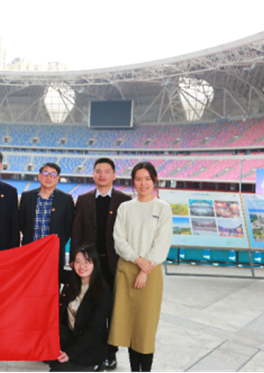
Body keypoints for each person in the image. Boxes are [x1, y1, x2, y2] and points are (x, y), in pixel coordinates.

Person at [108, 161, 173, 373]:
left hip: (150, 273)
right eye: (138, 179)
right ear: (133, 182)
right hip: (126, 271)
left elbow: (162, 242)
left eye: (147, 179)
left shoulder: (162, 208)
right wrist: (137, 260)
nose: (143, 183)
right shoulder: (125, 208)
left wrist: (145, 269)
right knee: (128, 325)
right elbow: (119, 240)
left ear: (154, 180)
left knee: (145, 327)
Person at [70, 157, 131, 369]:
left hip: (114, 265)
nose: (102, 175)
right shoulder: (84, 199)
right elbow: (76, 230)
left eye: (106, 171)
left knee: (112, 310)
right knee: (89, 308)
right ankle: (89, 349)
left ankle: (110, 352)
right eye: (98, 171)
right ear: (93, 175)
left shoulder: (124, 200)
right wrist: (75, 259)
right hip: (89, 266)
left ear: (114, 175)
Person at [50, 244, 113, 373]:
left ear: (95, 264)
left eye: (86, 262)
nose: (81, 266)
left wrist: (69, 353)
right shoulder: (73, 280)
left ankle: (95, 367)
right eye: (77, 262)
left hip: (90, 346)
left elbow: (92, 333)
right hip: (73, 337)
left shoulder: (102, 292)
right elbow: (50, 271)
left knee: (57, 371)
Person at [19, 162, 74, 284]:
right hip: (30, 252)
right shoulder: (27, 197)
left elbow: (68, 227)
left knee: (51, 286)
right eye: (45, 173)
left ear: (57, 178)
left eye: (53, 174)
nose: (49, 177)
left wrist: (57, 243)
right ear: (39, 176)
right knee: (28, 285)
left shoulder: (65, 199)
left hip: (53, 253)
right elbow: (22, 222)